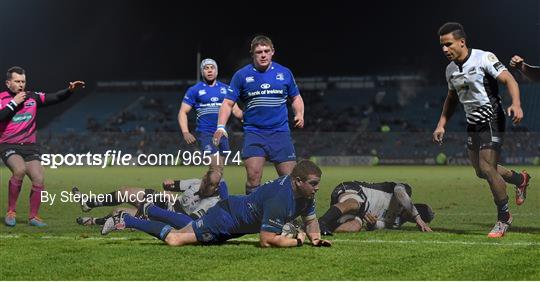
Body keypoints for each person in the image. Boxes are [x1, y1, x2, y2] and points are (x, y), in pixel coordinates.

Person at [432, 22, 531, 238]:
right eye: (441, 45)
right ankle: (519, 179)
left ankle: (504, 218)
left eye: (448, 44)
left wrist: (516, 103)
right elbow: (451, 98)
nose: (444, 49)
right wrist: (441, 124)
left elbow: (509, 79)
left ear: (461, 42)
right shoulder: (450, 70)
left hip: (492, 119)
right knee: (481, 171)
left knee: (487, 168)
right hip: (473, 123)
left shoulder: (484, 57)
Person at [101, 160, 331, 248]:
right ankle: (127, 219)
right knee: (175, 239)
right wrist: (297, 242)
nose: (317, 188)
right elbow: (266, 241)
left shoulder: (305, 194)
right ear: (298, 181)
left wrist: (317, 239)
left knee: (186, 227)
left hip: (233, 220)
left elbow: (311, 220)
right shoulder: (280, 198)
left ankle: (146, 211)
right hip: (225, 219)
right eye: (314, 183)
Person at [213, 35, 305, 195]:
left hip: (280, 133)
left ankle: (290, 216)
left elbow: (296, 97)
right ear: (252, 54)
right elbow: (227, 103)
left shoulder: (284, 73)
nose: (263, 55)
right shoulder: (241, 76)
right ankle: (252, 216)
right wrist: (221, 127)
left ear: (272, 52)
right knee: (253, 177)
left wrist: (299, 114)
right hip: (254, 133)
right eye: (258, 52)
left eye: (266, 51)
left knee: (291, 179)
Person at [1, 66, 85, 227]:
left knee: (39, 178)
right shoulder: (2, 99)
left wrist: (69, 90)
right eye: (17, 81)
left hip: (30, 147)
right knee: (19, 170)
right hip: (8, 144)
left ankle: (33, 217)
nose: (20, 84)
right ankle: (11, 212)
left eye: (23, 81)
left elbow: (55, 97)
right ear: (8, 83)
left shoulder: (33, 97)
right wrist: (13, 103)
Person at [178, 58, 243, 196]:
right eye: (206, 68)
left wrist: (248, 118)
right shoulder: (194, 90)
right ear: (202, 71)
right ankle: (221, 200)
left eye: (212, 67)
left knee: (217, 171)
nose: (209, 70)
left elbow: (236, 110)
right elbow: (183, 112)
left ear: (216, 70)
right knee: (216, 168)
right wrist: (185, 132)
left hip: (223, 134)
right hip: (205, 134)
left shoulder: (226, 89)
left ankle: (198, 194)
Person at [74, 176, 229, 226]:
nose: (202, 184)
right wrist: (168, 185)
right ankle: (88, 203)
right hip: (169, 202)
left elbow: (189, 223)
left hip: (170, 219)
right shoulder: (197, 182)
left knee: (118, 212)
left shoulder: (211, 203)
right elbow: (172, 184)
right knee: (125, 192)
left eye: (207, 184)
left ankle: (94, 221)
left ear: (215, 189)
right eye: (204, 180)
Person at [318, 181, 433, 235]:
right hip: (355, 190)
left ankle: (323, 228)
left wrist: (372, 223)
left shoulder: (396, 223)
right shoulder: (406, 191)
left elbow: (376, 225)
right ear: (415, 207)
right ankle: (322, 222)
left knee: (355, 227)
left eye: (414, 220)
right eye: (414, 216)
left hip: (360, 214)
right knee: (355, 204)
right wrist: (418, 217)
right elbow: (398, 191)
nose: (411, 218)